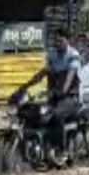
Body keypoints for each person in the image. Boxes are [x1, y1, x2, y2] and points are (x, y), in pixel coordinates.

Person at [12, 30, 82, 164]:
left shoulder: (72, 55)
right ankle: (44, 147)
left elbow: (70, 76)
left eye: (60, 41)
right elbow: (43, 73)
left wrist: (62, 91)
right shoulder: (53, 55)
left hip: (70, 98)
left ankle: (62, 150)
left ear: (68, 40)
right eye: (56, 40)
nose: (58, 43)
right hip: (55, 98)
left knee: (56, 115)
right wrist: (25, 86)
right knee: (35, 114)